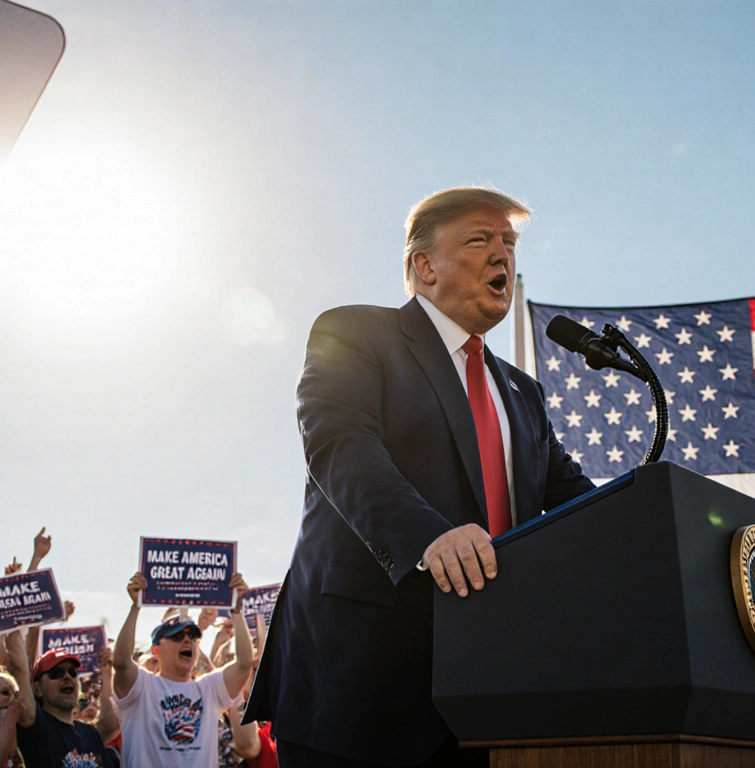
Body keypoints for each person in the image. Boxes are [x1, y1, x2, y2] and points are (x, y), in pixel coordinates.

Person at [246, 187, 596, 767]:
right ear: (424, 265)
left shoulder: (523, 393)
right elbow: (342, 446)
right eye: (480, 240)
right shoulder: (354, 332)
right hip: (362, 691)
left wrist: (656, 526)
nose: (502, 256)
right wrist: (428, 535)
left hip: (490, 696)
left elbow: (573, 501)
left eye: (508, 244)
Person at [112, 571, 255, 767]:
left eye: (193, 638)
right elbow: (120, 662)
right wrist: (135, 607)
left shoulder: (209, 689)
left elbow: (245, 663)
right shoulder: (142, 687)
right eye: (177, 637)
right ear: (156, 650)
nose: (186, 640)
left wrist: (237, 611)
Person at [6, 630, 120, 768]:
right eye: (56, 673)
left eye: (72, 672)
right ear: (38, 689)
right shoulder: (37, 728)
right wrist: (11, 625)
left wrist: (107, 673)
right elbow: (19, 668)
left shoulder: (88, 732)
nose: (67, 677)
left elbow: (110, 724)